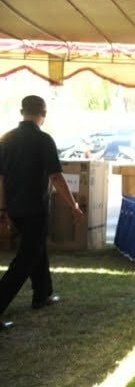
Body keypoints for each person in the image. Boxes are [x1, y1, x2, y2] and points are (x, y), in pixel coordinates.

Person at [0, 95, 83, 330]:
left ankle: (42, 293)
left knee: (36, 248)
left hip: (14, 208)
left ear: (21, 112)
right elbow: (56, 176)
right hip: (35, 208)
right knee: (26, 258)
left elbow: (1, 179)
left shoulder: (6, 139)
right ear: (43, 115)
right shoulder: (44, 140)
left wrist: (2, 209)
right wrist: (73, 206)